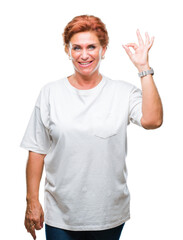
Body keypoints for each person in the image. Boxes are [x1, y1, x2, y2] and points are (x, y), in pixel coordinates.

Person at [20, 15, 163, 240]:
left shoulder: (123, 92)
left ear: (103, 50)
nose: (84, 54)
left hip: (107, 214)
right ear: (68, 50)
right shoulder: (50, 93)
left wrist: (144, 67)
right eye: (76, 47)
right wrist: (32, 201)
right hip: (61, 214)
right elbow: (37, 150)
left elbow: (153, 121)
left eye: (91, 47)